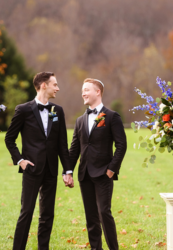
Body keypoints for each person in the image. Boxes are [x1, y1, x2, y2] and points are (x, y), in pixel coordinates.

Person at [5, 72, 72, 250]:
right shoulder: (23, 109)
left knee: (47, 215)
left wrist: (68, 171)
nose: (57, 88)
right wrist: (20, 160)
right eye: (54, 85)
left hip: (51, 170)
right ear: (43, 85)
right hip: (31, 169)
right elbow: (9, 139)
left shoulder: (57, 111)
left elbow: (62, 144)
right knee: (26, 213)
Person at [66, 78, 127, 250]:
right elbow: (74, 149)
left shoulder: (112, 117)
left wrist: (112, 169)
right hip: (84, 174)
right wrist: (68, 171)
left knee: (104, 213)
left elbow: (122, 145)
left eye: (86, 89)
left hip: (103, 173)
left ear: (98, 92)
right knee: (91, 217)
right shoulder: (79, 121)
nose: (83, 93)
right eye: (82, 90)